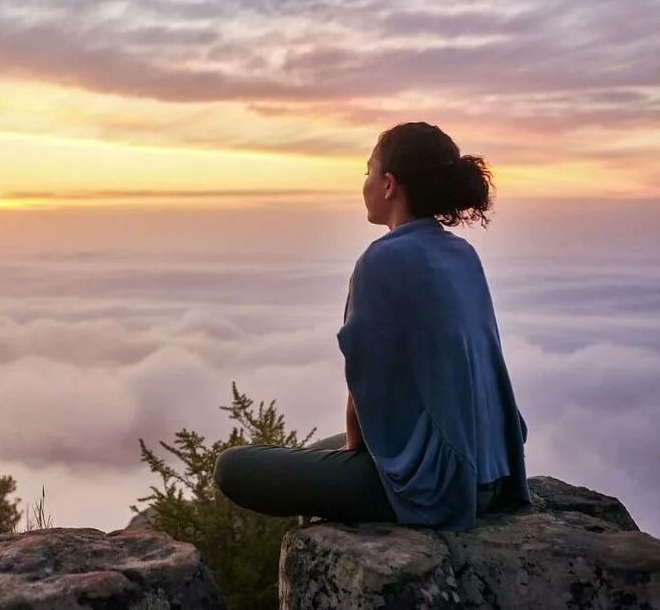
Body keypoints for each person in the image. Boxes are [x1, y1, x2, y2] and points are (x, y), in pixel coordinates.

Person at [212, 121, 531, 531]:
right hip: (494, 472)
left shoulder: (383, 260)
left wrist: (354, 452)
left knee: (234, 468)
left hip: (444, 487)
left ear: (388, 185)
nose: (363, 183)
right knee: (311, 453)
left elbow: (366, 386)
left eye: (368, 172)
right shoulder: (461, 253)